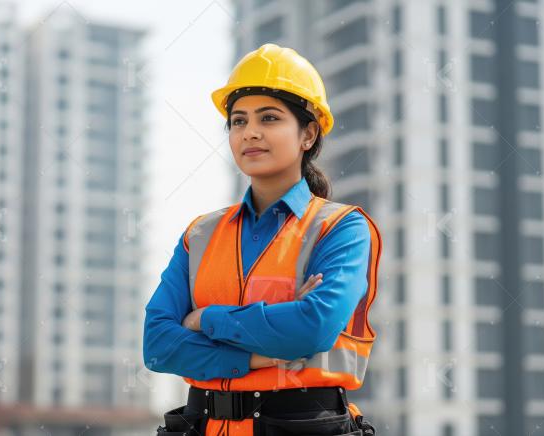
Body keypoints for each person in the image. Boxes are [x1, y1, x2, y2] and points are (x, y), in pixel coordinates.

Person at [143, 43, 382, 436]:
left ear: (308, 134)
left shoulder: (341, 229)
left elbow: (312, 328)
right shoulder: (200, 235)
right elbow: (158, 344)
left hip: (300, 425)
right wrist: (261, 353)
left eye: (269, 118)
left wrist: (206, 319)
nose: (250, 132)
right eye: (238, 121)